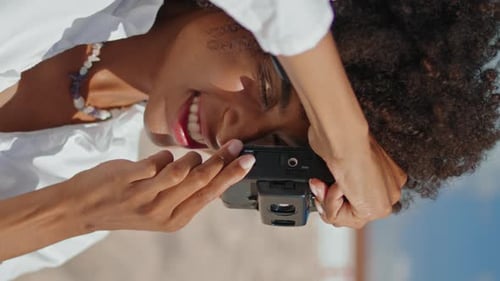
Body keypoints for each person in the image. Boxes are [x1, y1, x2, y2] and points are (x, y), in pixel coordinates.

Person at [0, 0, 498, 278]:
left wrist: (69, 213)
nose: (237, 134)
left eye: (275, 145)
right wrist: (346, 134)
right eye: (266, 86)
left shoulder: (71, 182)